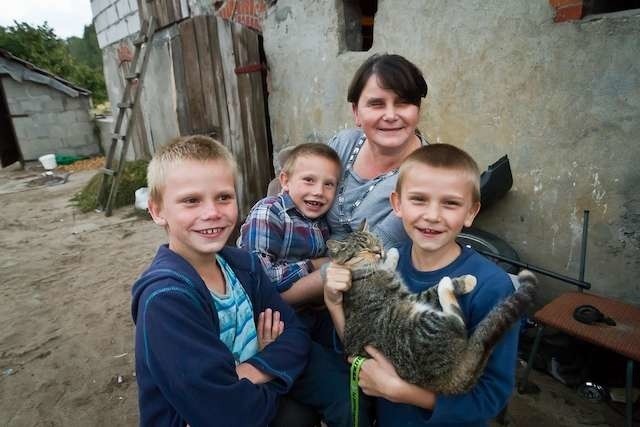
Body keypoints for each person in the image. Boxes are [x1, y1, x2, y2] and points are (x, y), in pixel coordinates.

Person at [324, 144, 520, 426]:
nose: (432, 215)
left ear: (471, 212)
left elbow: (491, 396)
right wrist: (333, 304)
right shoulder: (385, 267)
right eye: (419, 199)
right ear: (397, 205)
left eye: (450, 203)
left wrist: (402, 392)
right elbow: (358, 348)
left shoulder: (492, 287)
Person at [131, 135, 310, 426]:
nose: (212, 213)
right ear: (157, 211)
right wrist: (273, 373)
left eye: (224, 197)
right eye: (191, 201)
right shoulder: (165, 300)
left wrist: (250, 370)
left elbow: (297, 335)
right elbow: (229, 414)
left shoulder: (245, 266)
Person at [326, 53, 429, 250]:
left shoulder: (428, 175)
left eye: (403, 103)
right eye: (376, 104)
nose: (390, 115)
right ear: (356, 112)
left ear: (418, 110)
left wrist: (295, 276)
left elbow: (370, 255)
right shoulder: (343, 145)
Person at [238, 142, 341, 306]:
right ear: (285, 181)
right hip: (271, 313)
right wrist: (313, 265)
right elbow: (260, 276)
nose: (318, 192)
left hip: (313, 308)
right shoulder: (269, 212)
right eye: (309, 180)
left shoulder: (322, 220)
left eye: (328, 184)